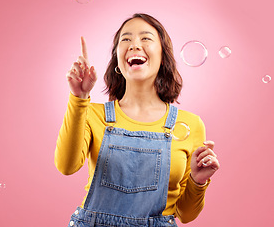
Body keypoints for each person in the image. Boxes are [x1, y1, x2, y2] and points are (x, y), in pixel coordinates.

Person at [55, 13, 220, 227]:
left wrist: (198, 181)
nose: (134, 45)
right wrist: (79, 98)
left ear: (163, 57)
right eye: (126, 39)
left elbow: (186, 214)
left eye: (146, 38)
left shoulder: (191, 125)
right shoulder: (91, 113)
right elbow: (66, 166)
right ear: (117, 60)